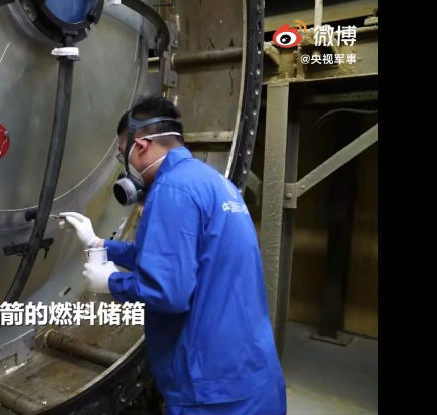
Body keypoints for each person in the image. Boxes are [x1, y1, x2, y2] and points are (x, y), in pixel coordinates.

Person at [58, 95, 286, 415]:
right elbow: (171, 256)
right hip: (252, 376)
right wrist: (99, 244)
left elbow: (170, 292)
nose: (126, 166)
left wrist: (112, 283)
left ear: (140, 146)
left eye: (123, 154)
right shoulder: (213, 182)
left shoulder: (171, 189)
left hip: (210, 392)